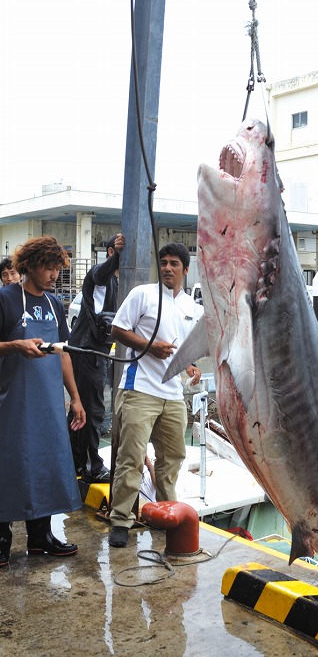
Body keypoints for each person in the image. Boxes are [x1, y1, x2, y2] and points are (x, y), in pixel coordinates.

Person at [108, 243, 202, 548]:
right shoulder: (143, 295)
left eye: (175, 263)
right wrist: (149, 345)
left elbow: (185, 350)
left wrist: (192, 368)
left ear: (186, 270)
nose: (167, 268)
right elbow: (117, 329)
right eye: (163, 262)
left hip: (174, 395)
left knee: (172, 458)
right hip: (140, 389)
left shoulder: (192, 307)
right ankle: (121, 520)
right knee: (131, 458)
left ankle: (166, 514)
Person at [0, 235, 86, 566]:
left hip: (49, 400)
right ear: (30, 265)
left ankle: (41, 537)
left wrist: (75, 398)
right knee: (11, 463)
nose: (54, 274)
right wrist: (15, 346)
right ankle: (2, 538)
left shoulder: (54, 305)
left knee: (47, 461)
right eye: (48, 267)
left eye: (57, 268)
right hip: (13, 401)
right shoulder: (6, 299)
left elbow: (63, 354)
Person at [67, 233, 125, 483]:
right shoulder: (100, 277)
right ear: (111, 253)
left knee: (81, 409)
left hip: (93, 351)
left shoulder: (118, 284)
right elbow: (100, 274)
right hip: (87, 350)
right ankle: (90, 466)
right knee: (92, 409)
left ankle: (75, 462)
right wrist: (119, 256)